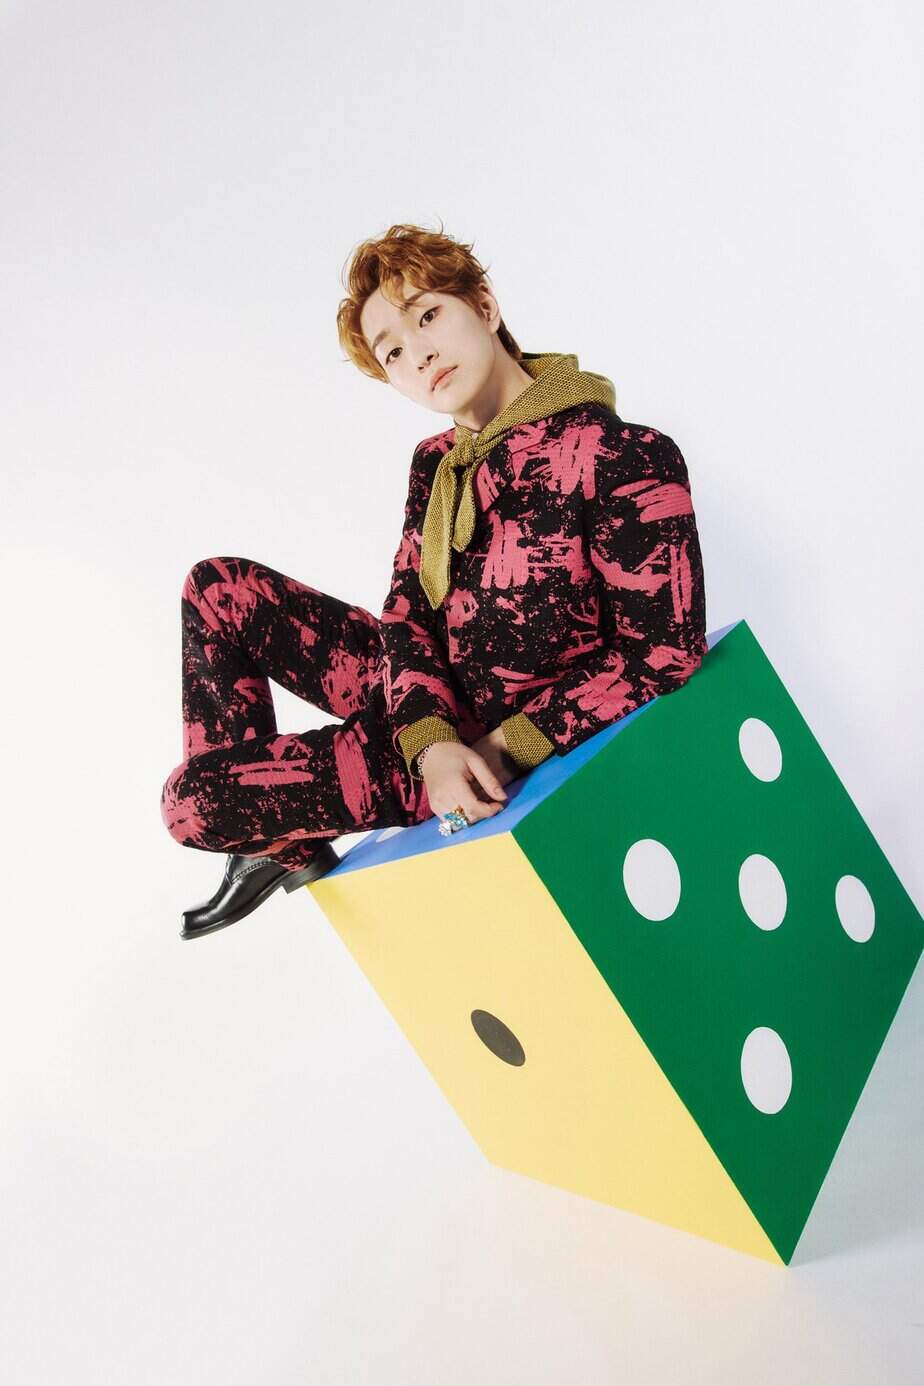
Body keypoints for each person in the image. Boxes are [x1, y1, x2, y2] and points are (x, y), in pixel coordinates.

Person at [160, 221, 708, 939]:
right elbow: (407, 614)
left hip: (479, 741)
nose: (418, 354)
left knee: (193, 802)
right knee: (218, 588)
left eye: (427, 316)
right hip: (423, 710)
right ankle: (273, 840)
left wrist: (492, 751)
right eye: (392, 351)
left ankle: (267, 834)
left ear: (484, 305)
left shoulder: (624, 454)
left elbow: (662, 654)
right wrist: (429, 735)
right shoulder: (437, 462)